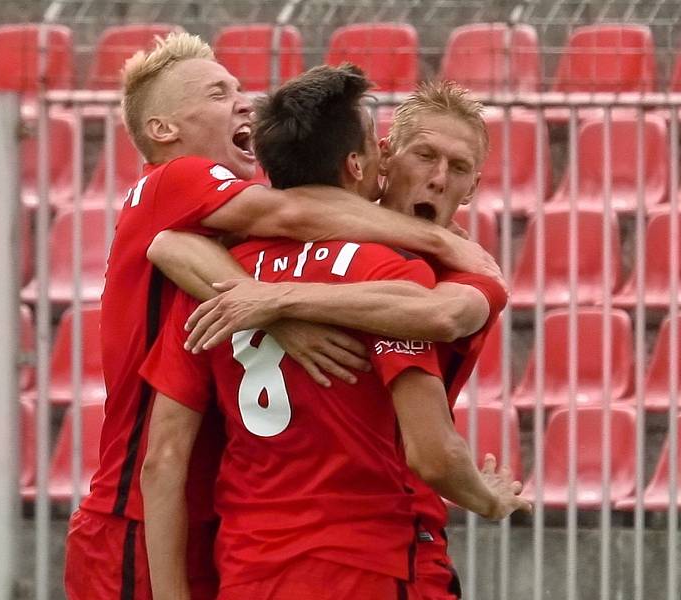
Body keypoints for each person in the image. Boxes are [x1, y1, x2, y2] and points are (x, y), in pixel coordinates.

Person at [64, 32, 503, 600]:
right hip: (148, 523)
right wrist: (444, 247)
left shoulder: (222, 258)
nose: (244, 101)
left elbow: (173, 247)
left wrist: (274, 302)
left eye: (240, 88)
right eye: (219, 93)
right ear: (377, 160)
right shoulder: (176, 182)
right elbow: (287, 214)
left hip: (228, 541)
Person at [147, 80, 531, 599]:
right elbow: (434, 452)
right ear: (377, 161)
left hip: (248, 569)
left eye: (458, 168)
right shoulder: (399, 276)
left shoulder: (216, 273)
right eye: (424, 156)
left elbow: (163, 458)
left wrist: (275, 300)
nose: (438, 180)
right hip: (372, 562)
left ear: (474, 186)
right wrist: (489, 501)